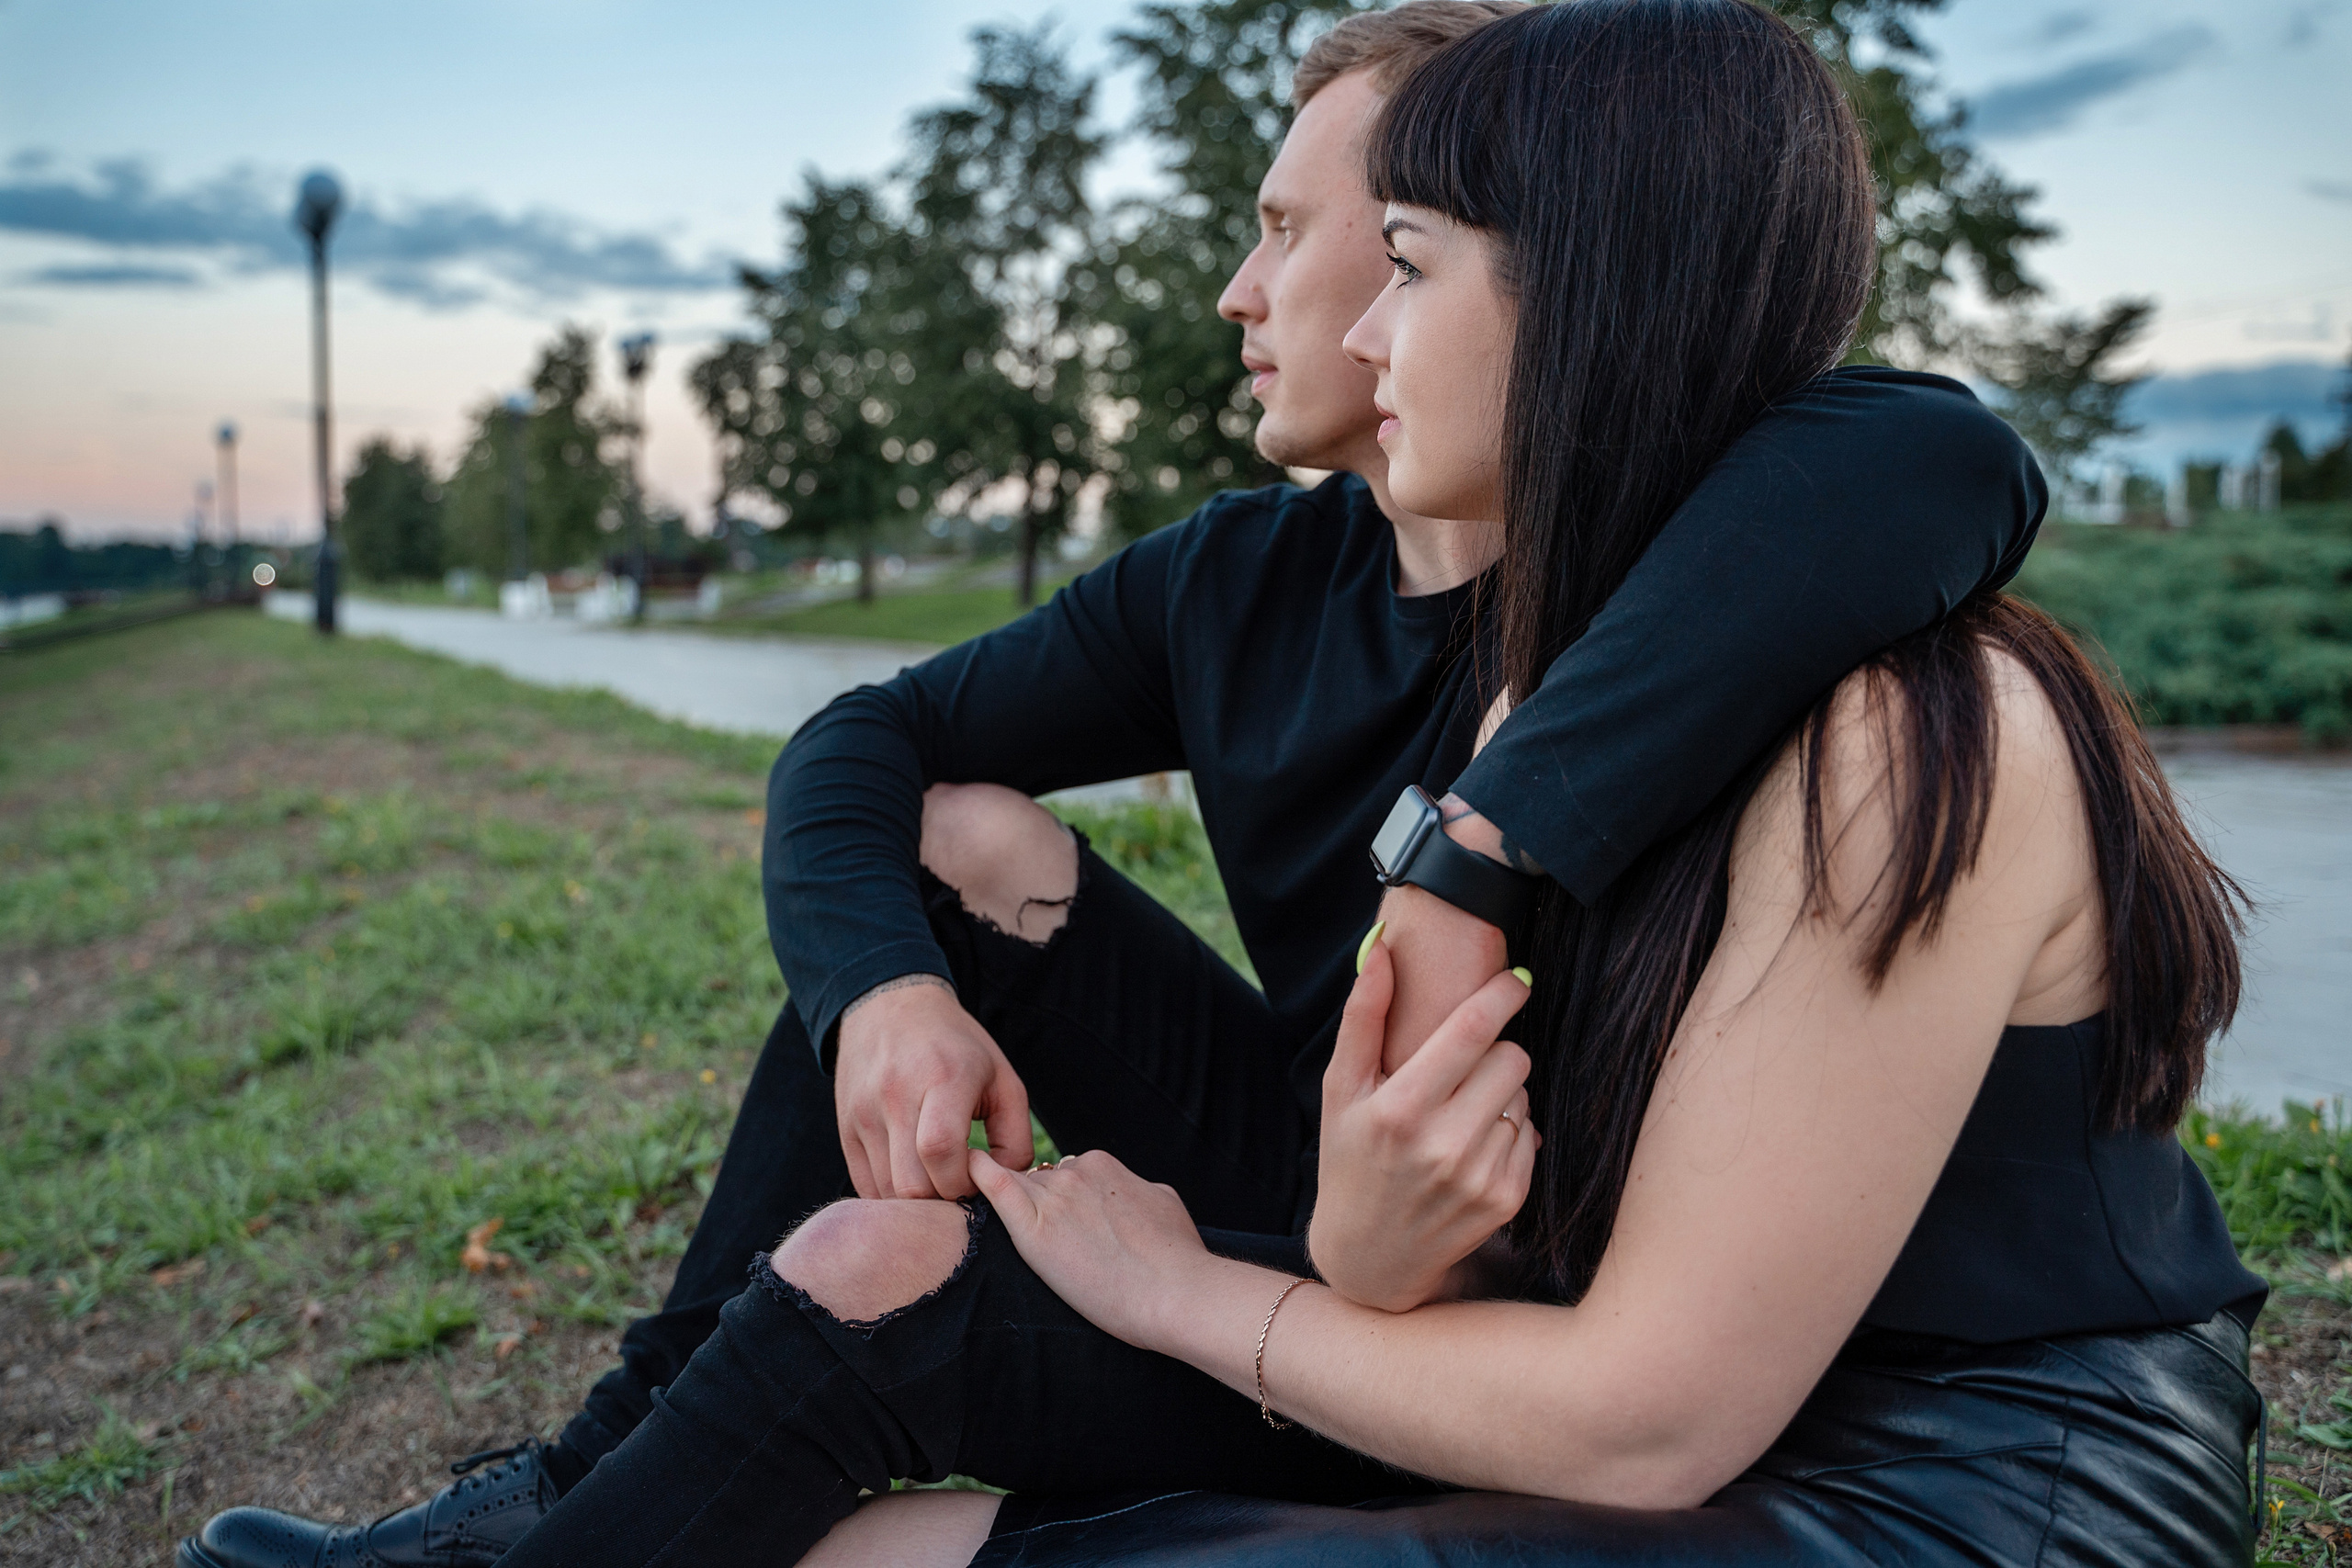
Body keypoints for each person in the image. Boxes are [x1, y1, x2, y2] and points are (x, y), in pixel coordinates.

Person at [180, 6, 2056, 1567]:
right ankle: (577, 1491)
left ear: (1558, 258)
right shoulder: (1244, 576)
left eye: (1322, 235)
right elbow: (858, 740)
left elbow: (1943, 455)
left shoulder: (1728, 589)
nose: (1252, 294)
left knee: (892, 1348)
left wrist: (1467, 855)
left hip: (1554, 1290)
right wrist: (878, 995)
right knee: (951, 854)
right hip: (1349, 1185)